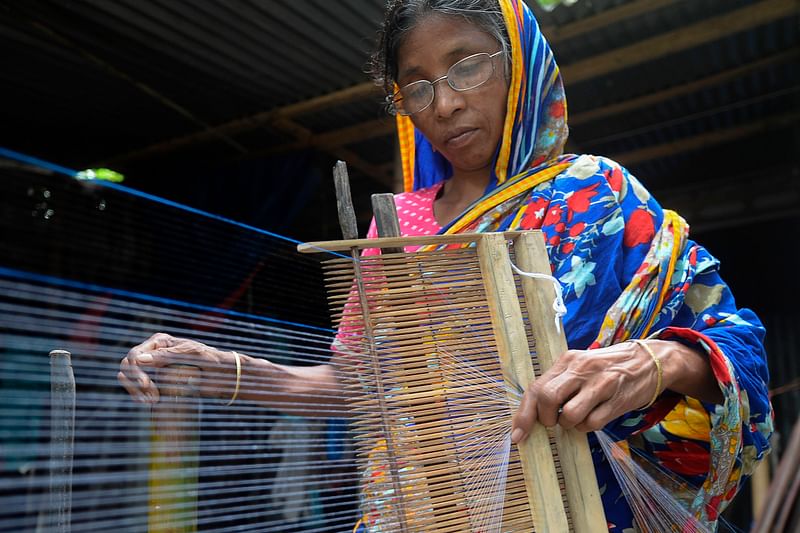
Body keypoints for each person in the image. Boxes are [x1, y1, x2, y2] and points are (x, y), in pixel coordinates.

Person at [119, 0, 773, 530]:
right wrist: (225, 368)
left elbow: (730, 347)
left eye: (466, 67)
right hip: (421, 513)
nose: (443, 104)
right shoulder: (399, 228)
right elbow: (359, 384)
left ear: (518, 64)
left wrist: (652, 360)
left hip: (579, 510)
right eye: (418, 86)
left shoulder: (595, 196)